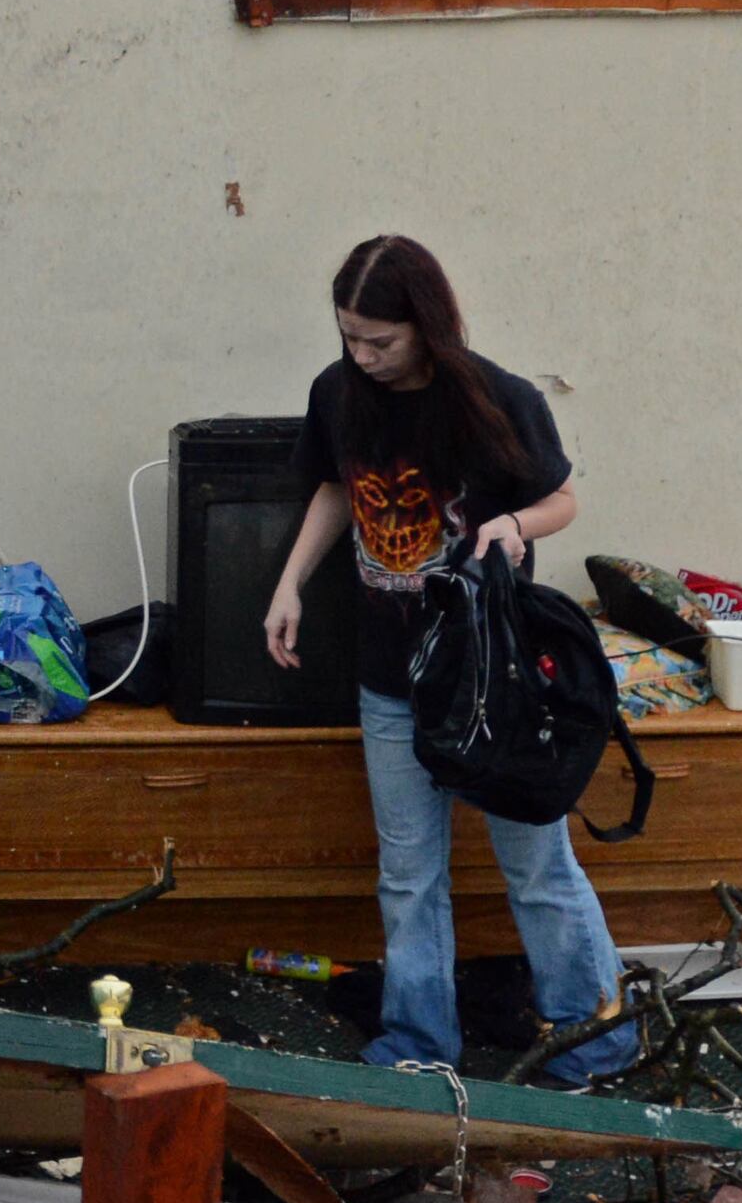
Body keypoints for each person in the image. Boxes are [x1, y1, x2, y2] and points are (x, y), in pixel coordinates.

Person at [264, 234, 635, 1085]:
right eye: (349, 337)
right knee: (408, 872)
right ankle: (419, 1043)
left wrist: (513, 527)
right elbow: (331, 485)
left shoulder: (497, 398)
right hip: (390, 678)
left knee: (537, 865)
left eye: (380, 341)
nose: (363, 356)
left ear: (426, 326)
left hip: (494, 682)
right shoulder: (338, 391)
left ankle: (596, 1040)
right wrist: (289, 584)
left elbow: (563, 498)